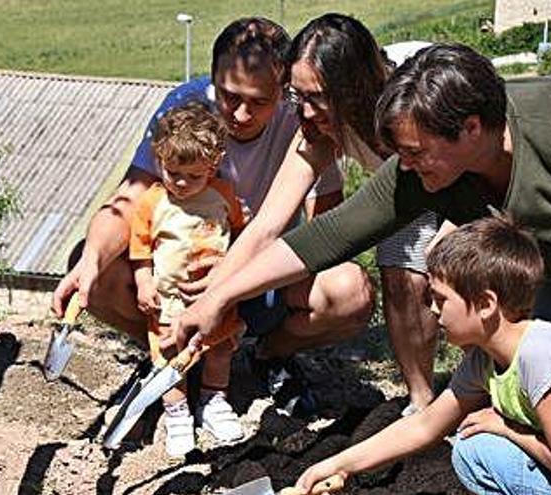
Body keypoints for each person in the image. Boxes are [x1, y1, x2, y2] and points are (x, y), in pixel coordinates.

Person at [174, 43, 551, 373]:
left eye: (415, 152)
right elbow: (331, 234)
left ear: (470, 128)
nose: (405, 165)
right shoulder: (428, 168)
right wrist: (221, 296)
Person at [51, 18, 373, 390]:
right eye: (229, 96)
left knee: (351, 291)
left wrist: (233, 279)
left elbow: (327, 225)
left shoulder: (303, 121)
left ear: (284, 91)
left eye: (258, 102)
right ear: (212, 78)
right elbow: (128, 198)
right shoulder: (185, 107)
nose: (239, 115)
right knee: (92, 265)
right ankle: (167, 349)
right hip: (178, 277)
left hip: (265, 279)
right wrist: (91, 261)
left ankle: (268, 354)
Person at [290, 216, 551, 495]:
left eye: (441, 299)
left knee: (483, 446)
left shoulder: (541, 354)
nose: (434, 311)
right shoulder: (485, 358)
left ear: (486, 304)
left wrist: (508, 428)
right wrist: (337, 465)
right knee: (473, 452)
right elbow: (425, 425)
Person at [206, 13, 441, 413]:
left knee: (460, 272)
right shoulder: (314, 126)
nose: (305, 111)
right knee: (400, 273)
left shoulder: (415, 94)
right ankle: (421, 402)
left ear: (354, 89)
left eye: (316, 97)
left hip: (459, 173)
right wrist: (212, 300)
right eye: (296, 96)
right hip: (405, 183)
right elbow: (268, 224)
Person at [130, 102, 246, 457]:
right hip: (170, 300)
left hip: (216, 296)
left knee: (220, 349)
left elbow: (241, 234)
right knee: (170, 355)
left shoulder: (223, 195)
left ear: (213, 165)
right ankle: (177, 413)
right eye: (172, 172)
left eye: (193, 176)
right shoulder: (152, 201)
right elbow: (140, 250)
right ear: (159, 160)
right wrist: (143, 283)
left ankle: (213, 400)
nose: (181, 183)